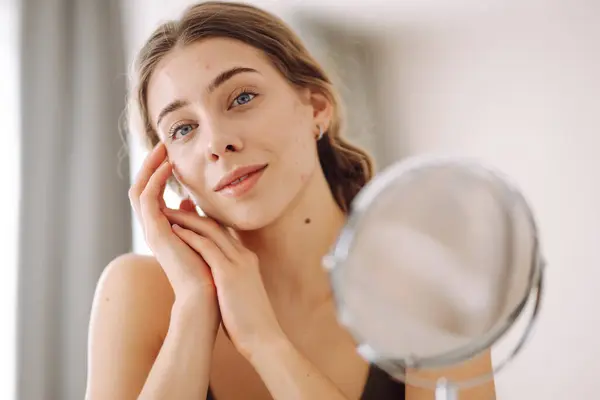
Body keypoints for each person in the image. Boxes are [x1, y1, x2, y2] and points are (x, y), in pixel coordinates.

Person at [85, 2, 496, 399]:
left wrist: (264, 342)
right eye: (183, 129)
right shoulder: (138, 293)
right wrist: (194, 310)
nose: (216, 142)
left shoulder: (431, 283)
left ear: (316, 106)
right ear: (168, 169)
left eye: (242, 97)